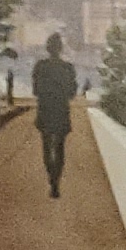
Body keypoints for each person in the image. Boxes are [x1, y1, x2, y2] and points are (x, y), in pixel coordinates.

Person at [29, 32, 78, 195]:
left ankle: (51, 177)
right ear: (61, 49)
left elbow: (35, 91)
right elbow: (72, 93)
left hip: (45, 109)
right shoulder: (68, 68)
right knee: (59, 147)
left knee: (46, 144)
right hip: (61, 110)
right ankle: (56, 180)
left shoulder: (40, 66)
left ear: (47, 48)